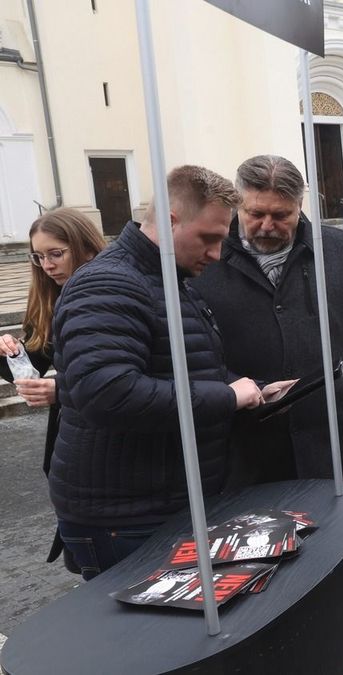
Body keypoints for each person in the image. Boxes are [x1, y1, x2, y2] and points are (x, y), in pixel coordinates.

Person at [49, 165, 268, 580]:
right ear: (170, 222)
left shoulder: (165, 279)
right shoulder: (110, 283)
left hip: (156, 503)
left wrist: (249, 388)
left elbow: (186, 364)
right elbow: (107, 393)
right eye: (209, 238)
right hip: (127, 517)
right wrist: (228, 397)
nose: (217, 255)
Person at [192, 154, 343, 488]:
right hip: (245, 447)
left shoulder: (337, 248)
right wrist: (238, 390)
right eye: (256, 214)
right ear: (237, 205)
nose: (268, 225)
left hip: (333, 440)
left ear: (299, 205)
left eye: (281, 215)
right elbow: (194, 347)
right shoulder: (206, 258)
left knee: (339, 539)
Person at [0, 208, 106, 572]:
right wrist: (9, 353)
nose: (46, 264)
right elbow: (34, 364)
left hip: (105, 438)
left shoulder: (109, 289)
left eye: (55, 253)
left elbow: (114, 372)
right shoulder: (49, 297)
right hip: (70, 441)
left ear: (84, 246)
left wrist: (59, 388)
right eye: (38, 256)